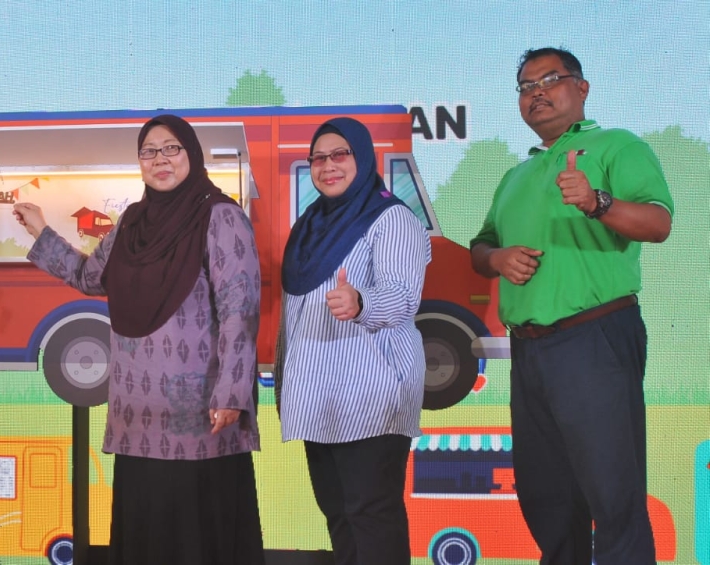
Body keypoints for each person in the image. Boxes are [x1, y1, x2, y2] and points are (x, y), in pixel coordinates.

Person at [13, 114, 265, 565]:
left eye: (171, 148)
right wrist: (40, 231)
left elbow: (239, 311)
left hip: (201, 418)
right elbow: (90, 277)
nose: (159, 159)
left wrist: (232, 392)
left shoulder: (221, 217)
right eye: (148, 151)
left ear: (192, 154)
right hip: (138, 418)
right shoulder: (132, 221)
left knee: (196, 541)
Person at [470, 47, 674, 564]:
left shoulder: (617, 146)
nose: (536, 93)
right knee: (548, 498)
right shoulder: (516, 176)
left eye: (550, 79)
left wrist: (596, 201)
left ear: (582, 88)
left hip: (594, 338)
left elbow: (658, 224)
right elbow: (481, 246)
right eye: (526, 86)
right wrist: (497, 258)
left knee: (613, 494)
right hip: (529, 351)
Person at [274, 117, 431, 565]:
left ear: (362, 158)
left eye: (340, 155)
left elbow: (402, 296)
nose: (328, 166)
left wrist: (361, 302)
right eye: (318, 158)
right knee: (338, 513)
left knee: (371, 513)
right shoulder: (310, 225)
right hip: (318, 394)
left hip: (370, 394)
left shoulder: (391, 218)